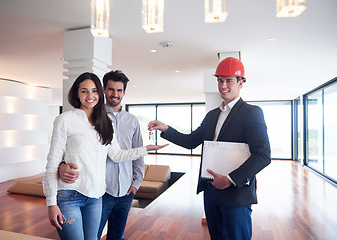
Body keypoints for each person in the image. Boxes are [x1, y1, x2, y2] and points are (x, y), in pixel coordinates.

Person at [148, 57, 271, 240]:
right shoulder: (212, 115)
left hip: (236, 193)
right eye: (220, 80)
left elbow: (263, 155)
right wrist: (166, 128)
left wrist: (230, 179)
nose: (223, 85)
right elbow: (191, 141)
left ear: (240, 83)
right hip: (211, 190)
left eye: (229, 80)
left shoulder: (251, 112)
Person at [42, 72, 166, 240]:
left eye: (93, 91)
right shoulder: (65, 120)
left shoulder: (105, 122)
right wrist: (51, 203)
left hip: (96, 197)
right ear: (76, 93)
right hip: (70, 196)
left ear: (99, 93)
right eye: (84, 91)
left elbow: (117, 155)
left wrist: (146, 149)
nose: (90, 95)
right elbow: (51, 164)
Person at [59, 70, 144, 240]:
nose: (115, 94)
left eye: (119, 90)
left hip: (126, 191)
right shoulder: (92, 117)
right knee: (93, 236)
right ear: (103, 90)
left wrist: (136, 183)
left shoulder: (132, 120)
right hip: (99, 191)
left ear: (124, 92)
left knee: (117, 236)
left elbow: (137, 153)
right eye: (111, 89)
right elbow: (72, 148)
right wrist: (61, 165)